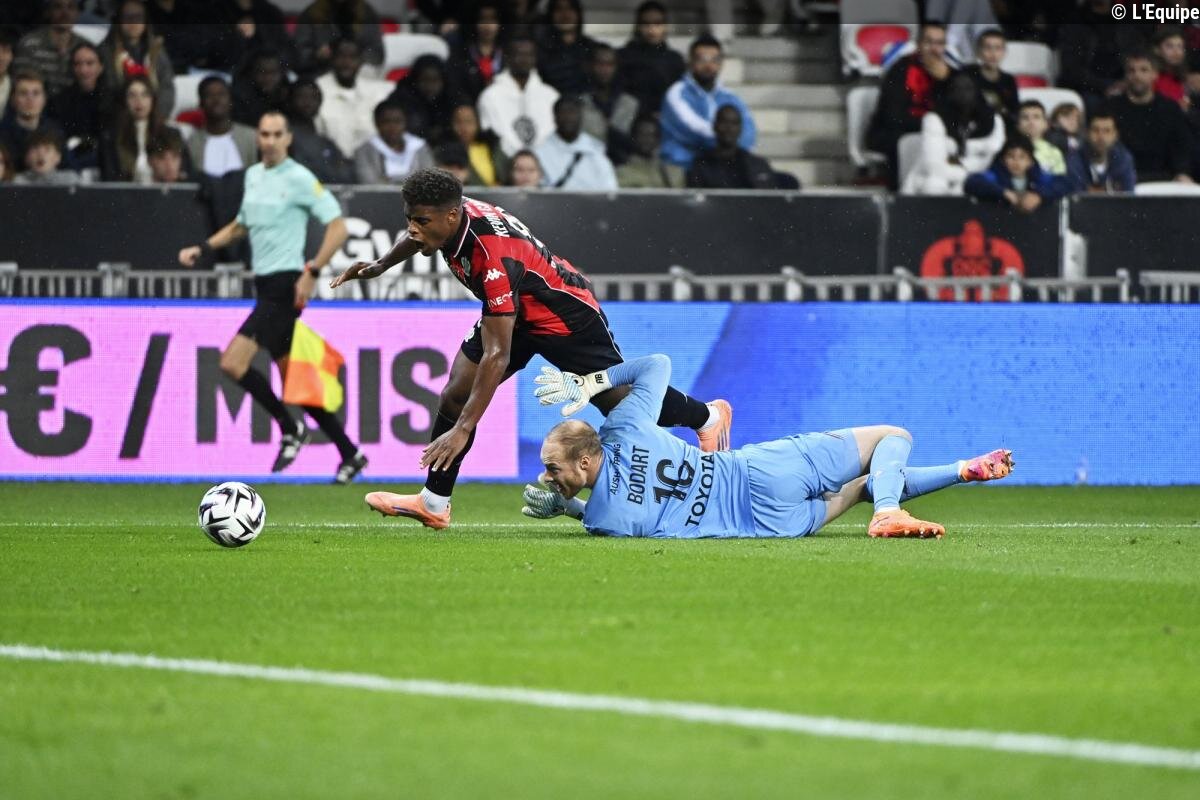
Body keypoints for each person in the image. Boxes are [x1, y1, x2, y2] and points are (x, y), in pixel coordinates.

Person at [330, 168, 731, 529]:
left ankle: (707, 416)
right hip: (518, 309)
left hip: (565, 318)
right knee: (455, 393)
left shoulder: (491, 258)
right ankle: (434, 502)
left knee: (619, 403)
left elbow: (497, 355)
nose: (413, 230)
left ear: (451, 216)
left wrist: (463, 429)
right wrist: (381, 265)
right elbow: (421, 238)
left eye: (420, 222)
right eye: (409, 219)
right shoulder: (453, 214)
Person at [521, 354, 1014, 539]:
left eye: (552, 467)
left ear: (584, 460)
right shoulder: (625, 426)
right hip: (762, 471)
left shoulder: (604, 519)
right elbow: (657, 365)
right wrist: (592, 383)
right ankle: (892, 508)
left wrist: (567, 508)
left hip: (771, 525)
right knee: (892, 438)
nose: (546, 476)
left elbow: (607, 515)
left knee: (863, 486)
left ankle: (954, 473)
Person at [177, 111, 368, 484]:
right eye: (264, 134)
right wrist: (204, 247)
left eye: (277, 134)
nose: (269, 141)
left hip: (285, 287)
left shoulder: (299, 178)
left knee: (232, 363)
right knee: (293, 380)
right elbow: (240, 226)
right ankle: (351, 453)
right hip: (264, 286)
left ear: (288, 138)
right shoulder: (254, 175)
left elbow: (338, 227)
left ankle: (290, 428)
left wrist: (312, 271)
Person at [866, 22, 954, 188]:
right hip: (894, 131)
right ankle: (903, 193)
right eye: (929, 42)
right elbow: (892, 116)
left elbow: (956, 113)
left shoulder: (950, 74)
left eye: (940, 43)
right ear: (918, 44)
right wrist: (928, 126)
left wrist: (945, 82)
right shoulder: (900, 70)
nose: (934, 49)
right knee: (913, 143)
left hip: (932, 131)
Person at [660, 34, 756, 170]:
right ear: (690, 61)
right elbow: (694, 132)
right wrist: (728, 142)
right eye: (702, 59)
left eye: (714, 60)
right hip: (683, 167)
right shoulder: (676, 93)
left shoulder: (730, 96)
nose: (708, 65)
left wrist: (730, 148)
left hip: (719, 167)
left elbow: (749, 133)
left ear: (721, 63)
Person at [901, 71, 1002, 196]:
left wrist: (961, 164)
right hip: (933, 179)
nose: (963, 93)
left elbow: (989, 159)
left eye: (968, 88)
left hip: (973, 181)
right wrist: (966, 172)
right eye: (957, 88)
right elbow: (934, 167)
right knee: (935, 184)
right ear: (949, 92)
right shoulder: (934, 118)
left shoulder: (992, 119)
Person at [1109, 51, 1194, 183]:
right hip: (1122, 180)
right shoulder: (1111, 108)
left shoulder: (1170, 108)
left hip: (1164, 179)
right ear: (1126, 75)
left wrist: (1182, 172)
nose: (1137, 76)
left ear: (1155, 74)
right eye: (1132, 70)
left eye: (1144, 70)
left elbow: (1181, 145)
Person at [476, 35, 559, 156]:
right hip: (504, 162)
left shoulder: (551, 95)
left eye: (529, 55)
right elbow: (492, 135)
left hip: (546, 162)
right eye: (519, 54)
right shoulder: (490, 96)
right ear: (507, 58)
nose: (524, 59)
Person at [315, 37, 392, 159]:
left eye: (353, 57)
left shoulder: (375, 91)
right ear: (332, 59)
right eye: (341, 56)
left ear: (361, 61)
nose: (347, 62)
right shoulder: (317, 89)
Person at [98, 0, 176, 119]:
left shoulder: (157, 51)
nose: (133, 22)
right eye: (128, 17)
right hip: (118, 120)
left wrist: (155, 118)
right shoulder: (105, 53)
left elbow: (167, 89)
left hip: (154, 120)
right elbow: (107, 93)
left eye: (138, 17)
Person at [687, 104, 788, 190]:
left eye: (734, 123)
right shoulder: (700, 165)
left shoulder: (758, 164)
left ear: (740, 128)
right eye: (724, 122)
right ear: (715, 126)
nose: (729, 128)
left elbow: (768, 200)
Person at [100, 75, 179, 183]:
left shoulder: (172, 134)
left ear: (153, 99)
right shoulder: (111, 138)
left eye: (145, 95)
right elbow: (110, 177)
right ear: (124, 101)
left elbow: (183, 173)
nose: (139, 101)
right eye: (132, 95)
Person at [48, 42, 114, 171]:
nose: (83, 70)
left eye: (90, 63)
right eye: (78, 64)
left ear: (101, 67)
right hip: (71, 163)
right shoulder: (59, 101)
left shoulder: (114, 100)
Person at [964, 135, 1072, 212]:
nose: (1016, 162)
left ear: (1030, 161)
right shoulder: (996, 175)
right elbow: (973, 182)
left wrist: (1039, 196)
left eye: (1022, 157)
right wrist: (1003, 192)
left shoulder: (1038, 177)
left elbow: (1064, 182)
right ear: (1003, 160)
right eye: (1011, 156)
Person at [534, 95, 618, 190]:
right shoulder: (540, 152)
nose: (568, 117)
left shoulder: (595, 149)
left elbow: (609, 189)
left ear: (581, 116)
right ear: (554, 117)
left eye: (572, 112)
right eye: (563, 112)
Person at [616, 1, 685, 115]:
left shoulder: (675, 60)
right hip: (632, 119)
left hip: (666, 119)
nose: (651, 29)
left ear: (665, 26)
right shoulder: (622, 57)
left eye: (657, 23)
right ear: (638, 26)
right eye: (646, 24)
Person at [286, 77, 356, 184]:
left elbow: (345, 173)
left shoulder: (324, 137)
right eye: (302, 96)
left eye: (313, 97)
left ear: (320, 101)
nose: (308, 102)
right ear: (291, 100)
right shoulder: (285, 135)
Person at [11, 0, 88, 98]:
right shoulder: (29, 44)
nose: (65, 13)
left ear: (78, 13)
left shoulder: (85, 47)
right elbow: (22, 84)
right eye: (58, 7)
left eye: (71, 7)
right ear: (48, 12)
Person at [579, 42, 638, 166]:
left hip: (623, 168)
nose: (605, 70)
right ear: (590, 66)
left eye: (610, 64)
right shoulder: (579, 104)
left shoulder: (630, 104)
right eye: (600, 64)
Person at [187, 76, 258, 179]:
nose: (216, 100)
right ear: (200, 103)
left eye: (221, 94)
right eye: (209, 95)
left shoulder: (251, 137)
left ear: (231, 101)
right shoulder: (193, 141)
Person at [353, 99, 434, 184]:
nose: (392, 127)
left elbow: (428, 180)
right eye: (386, 121)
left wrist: (389, 180)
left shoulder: (419, 147)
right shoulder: (364, 151)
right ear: (377, 123)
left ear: (405, 122)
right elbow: (369, 183)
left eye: (397, 121)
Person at [294, 0, 385, 75]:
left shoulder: (366, 13)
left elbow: (377, 55)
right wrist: (316, 55)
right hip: (321, 74)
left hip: (358, 77)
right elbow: (298, 55)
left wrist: (357, 55)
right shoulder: (312, 14)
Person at [385, 54, 460, 143]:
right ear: (415, 80)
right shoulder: (401, 98)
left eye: (435, 80)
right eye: (425, 80)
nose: (430, 87)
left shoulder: (451, 98)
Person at [0, 72, 64, 173]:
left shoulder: (56, 131)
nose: (30, 99)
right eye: (23, 93)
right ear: (13, 99)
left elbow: (68, 168)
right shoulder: (2, 134)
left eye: (36, 93)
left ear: (44, 99)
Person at [534, 0, 598, 95]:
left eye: (570, 9)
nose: (565, 14)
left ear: (578, 13)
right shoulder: (538, 49)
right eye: (559, 9)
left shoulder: (592, 48)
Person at [444, 0, 504, 103]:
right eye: (482, 19)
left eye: (492, 19)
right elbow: (455, 85)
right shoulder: (462, 52)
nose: (487, 26)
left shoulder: (508, 52)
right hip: (469, 106)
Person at [1066, 110, 1136, 194]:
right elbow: (1075, 194)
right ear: (1086, 133)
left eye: (1107, 131)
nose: (1101, 137)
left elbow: (1128, 194)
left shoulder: (1123, 159)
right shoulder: (1074, 159)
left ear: (1116, 135)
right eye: (1095, 130)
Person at [963, 29, 1018, 131]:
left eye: (998, 48)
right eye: (987, 48)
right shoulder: (968, 74)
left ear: (1004, 52)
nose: (993, 54)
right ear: (979, 52)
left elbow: (1014, 112)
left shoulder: (1009, 80)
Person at [448, 102, 509, 186]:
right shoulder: (443, 152)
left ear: (478, 123)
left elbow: (505, 176)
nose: (464, 127)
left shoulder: (491, 147)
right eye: (459, 122)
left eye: (468, 121)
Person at [616, 114, 684, 188]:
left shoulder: (674, 170)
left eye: (651, 135)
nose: (646, 139)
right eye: (642, 134)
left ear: (658, 139)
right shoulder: (623, 171)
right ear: (634, 137)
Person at [231, 48, 290, 128]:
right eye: (262, 71)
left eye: (273, 72)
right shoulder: (241, 98)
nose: (268, 78)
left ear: (282, 73)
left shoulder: (290, 96)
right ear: (252, 72)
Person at [1016, 100, 1066, 176]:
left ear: (1046, 124)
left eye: (1036, 117)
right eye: (1025, 117)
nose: (1031, 122)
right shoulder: (1009, 151)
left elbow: (1060, 179)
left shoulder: (1054, 152)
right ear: (1018, 125)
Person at [13, 129, 79, 185]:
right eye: (35, 149)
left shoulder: (70, 180)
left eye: (47, 149)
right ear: (26, 157)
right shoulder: (18, 182)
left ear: (57, 157)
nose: (40, 154)